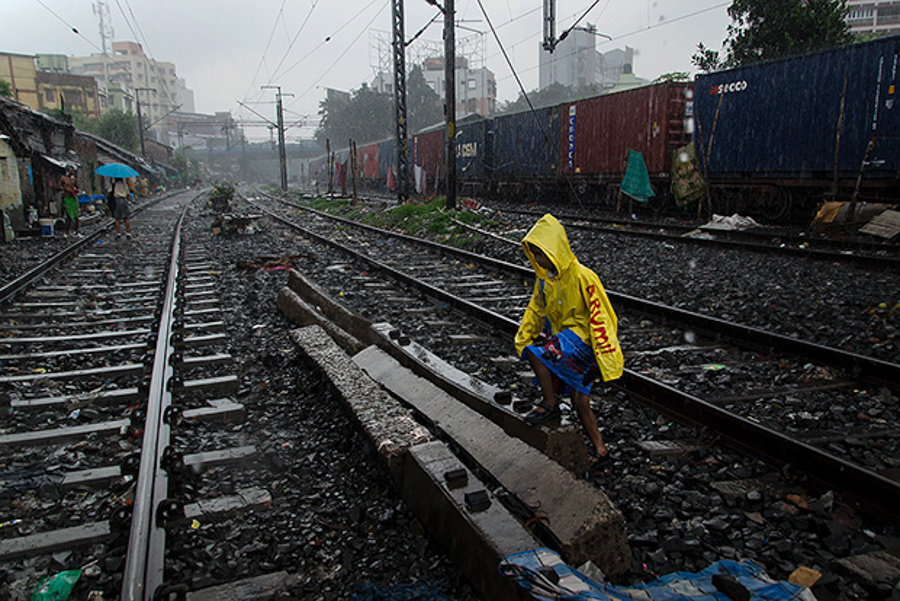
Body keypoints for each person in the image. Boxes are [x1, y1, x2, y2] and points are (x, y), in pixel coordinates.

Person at [514, 214, 624, 470]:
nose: (538, 260)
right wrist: (523, 335)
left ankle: (550, 404)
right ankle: (601, 450)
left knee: (537, 353)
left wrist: (605, 356)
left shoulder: (583, 277)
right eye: (535, 255)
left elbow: (602, 317)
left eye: (541, 253)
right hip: (566, 343)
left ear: (554, 250)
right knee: (580, 402)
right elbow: (535, 310)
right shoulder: (545, 282)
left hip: (583, 342)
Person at [58, 167, 80, 237]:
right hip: (67, 199)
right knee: (69, 216)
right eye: (70, 170)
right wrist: (65, 188)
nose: (72, 172)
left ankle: (76, 231)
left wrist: (76, 190)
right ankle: (67, 231)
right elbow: (57, 187)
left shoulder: (73, 179)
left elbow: (77, 187)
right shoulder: (63, 179)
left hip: (74, 198)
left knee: (76, 216)